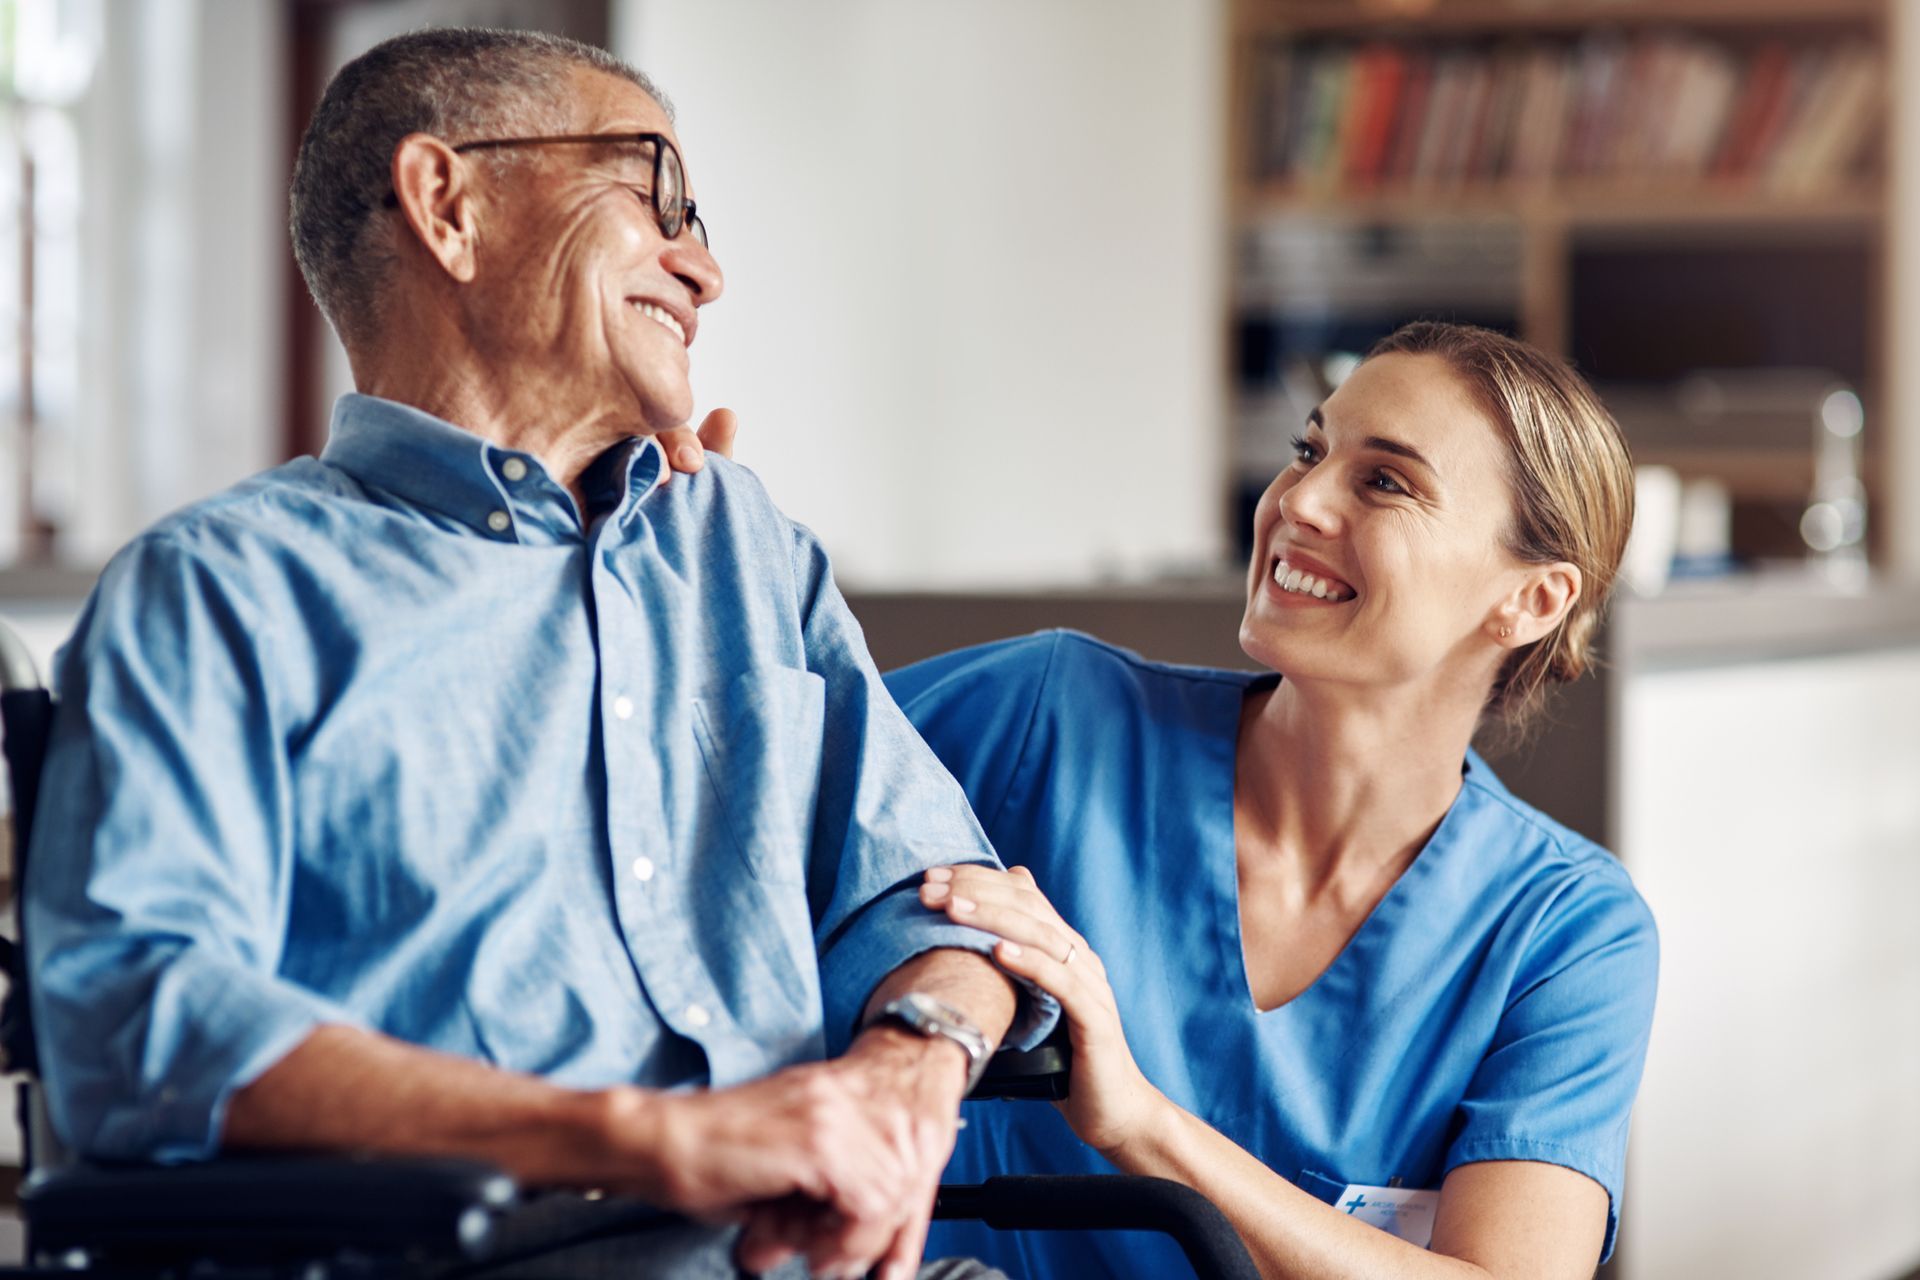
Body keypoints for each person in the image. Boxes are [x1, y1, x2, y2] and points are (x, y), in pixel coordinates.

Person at [23, 28, 1050, 1280]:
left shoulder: (744, 549)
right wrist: (645, 1136)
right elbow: (138, 1016)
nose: (707, 267)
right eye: (654, 191)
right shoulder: (222, 591)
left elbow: (939, 901)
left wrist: (911, 1064)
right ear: (449, 205)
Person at [891, 323, 1659, 1280]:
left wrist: (1141, 1124)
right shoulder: (1046, 718)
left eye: (1384, 481)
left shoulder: (1566, 931)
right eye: (1309, 451)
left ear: (1532, 600)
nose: (1299, 500)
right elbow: (734, 759)